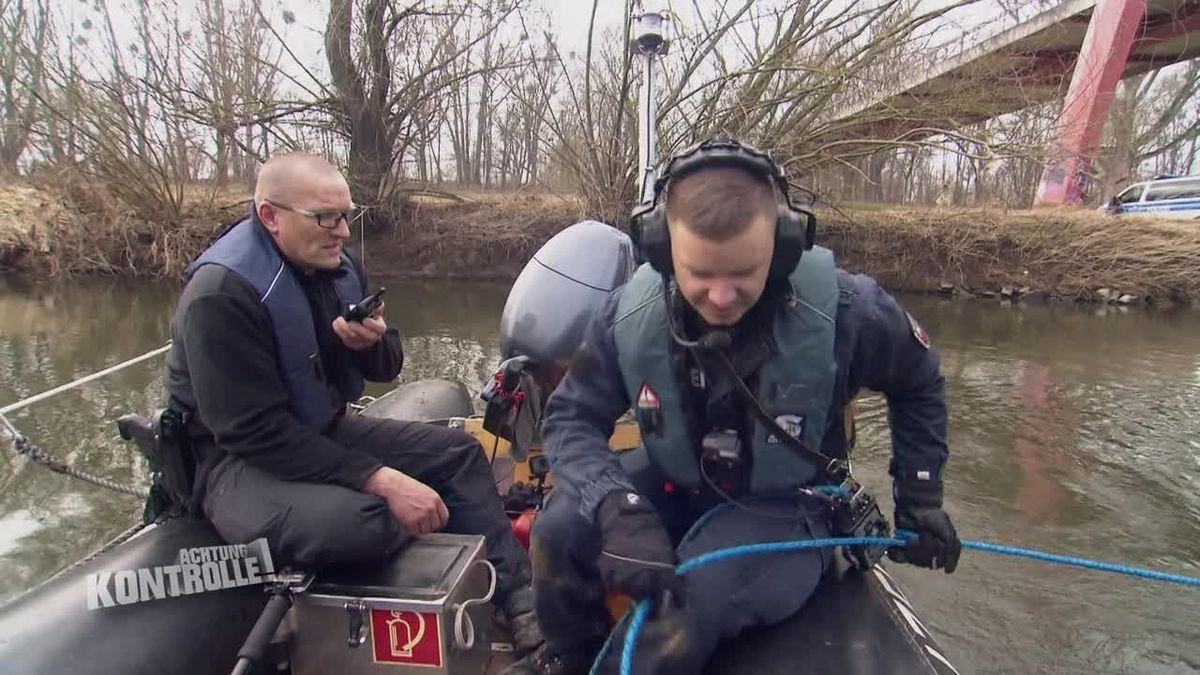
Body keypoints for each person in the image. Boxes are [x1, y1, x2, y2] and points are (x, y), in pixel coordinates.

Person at [504, 138, 961, 674]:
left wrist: (921, 494)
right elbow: (572, 416)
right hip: (679, 482)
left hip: (790, 503)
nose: (722, 297)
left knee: (692, 602)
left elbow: (919, 379)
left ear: (785, 246)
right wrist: (616, 507)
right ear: (663, 251)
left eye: (744, 273)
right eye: (701, 275)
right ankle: (568, 659)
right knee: (557, 531)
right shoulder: (627, 316)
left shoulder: (849, 311)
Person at [163, 152, 541, 654]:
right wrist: (380, 479)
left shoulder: (337, 266)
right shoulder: (220, 295)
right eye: (325, 217)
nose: (342, 230)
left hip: (319, 430)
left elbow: (388, 368)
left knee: (458, 453)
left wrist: (371, 344)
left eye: (347, 214)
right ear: (270, 215)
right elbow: (252, 433)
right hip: (235, 463)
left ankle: (520, 602)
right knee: (365, 518)